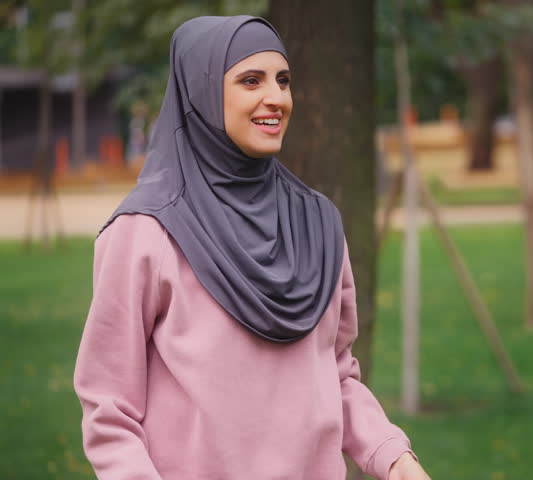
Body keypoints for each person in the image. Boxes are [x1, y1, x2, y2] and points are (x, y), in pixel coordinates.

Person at [73, 15, 430, 480]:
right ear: (201, 92)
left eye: (283, 80)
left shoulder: (318, 223)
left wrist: (395, 458)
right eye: (250, 80)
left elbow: (336, 375)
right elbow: (109, 408)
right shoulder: (146, 232)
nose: (277, 97)